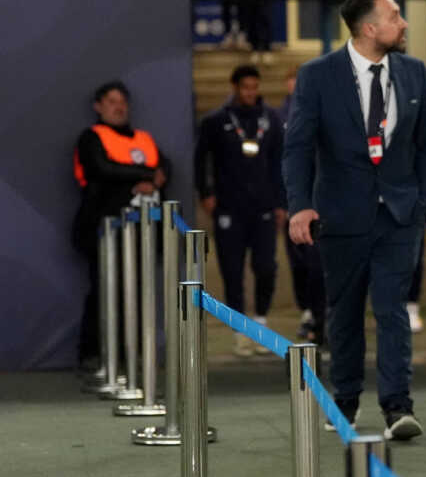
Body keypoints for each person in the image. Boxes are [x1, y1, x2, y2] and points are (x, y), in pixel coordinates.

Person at [283, 0, 426, 441]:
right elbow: (297, 148)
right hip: (340, 215)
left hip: (399, 215)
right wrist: (299, 206)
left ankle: (398, 408)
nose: (404, 23)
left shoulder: (413, 72)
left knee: (393, 310)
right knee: (344, 313)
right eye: (395, 16)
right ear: (370, 28)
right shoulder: (317, 76)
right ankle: (344, 403)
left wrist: (423, 199)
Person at [73, 81, 171, 371]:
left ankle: (134, 354)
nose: (119, 106)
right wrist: (144, 176)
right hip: (103, 228)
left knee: (139, 291)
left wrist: (151, 179)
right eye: (112, 101)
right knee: (105, 290)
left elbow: (165, 168)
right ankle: (94, 354)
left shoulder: (143, 138)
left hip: (142, 231)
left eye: (122, 101)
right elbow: (101, 169)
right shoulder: (92, 137)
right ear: (99, 106)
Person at [195, 65, 285, 357]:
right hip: (229, 207)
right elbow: (201, 160)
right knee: (232, 271)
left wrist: (282, 202)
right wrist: (206, 194)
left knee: (266, 267)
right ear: (234, 87)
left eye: (254, 87)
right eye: (245, 87)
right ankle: (239, 331)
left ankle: (260, 322)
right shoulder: (216, 121)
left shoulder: (271, 119)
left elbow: (279, 163)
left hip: (263, 207)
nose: (250, 93)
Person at [279, 65, 327, 346]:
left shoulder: (329, 117)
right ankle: (315, 320)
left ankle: (325, 327)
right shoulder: (282, 121)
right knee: (308, 268)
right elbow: (288, 163)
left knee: (326, 272)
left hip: (332, 208)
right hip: (303, 208)